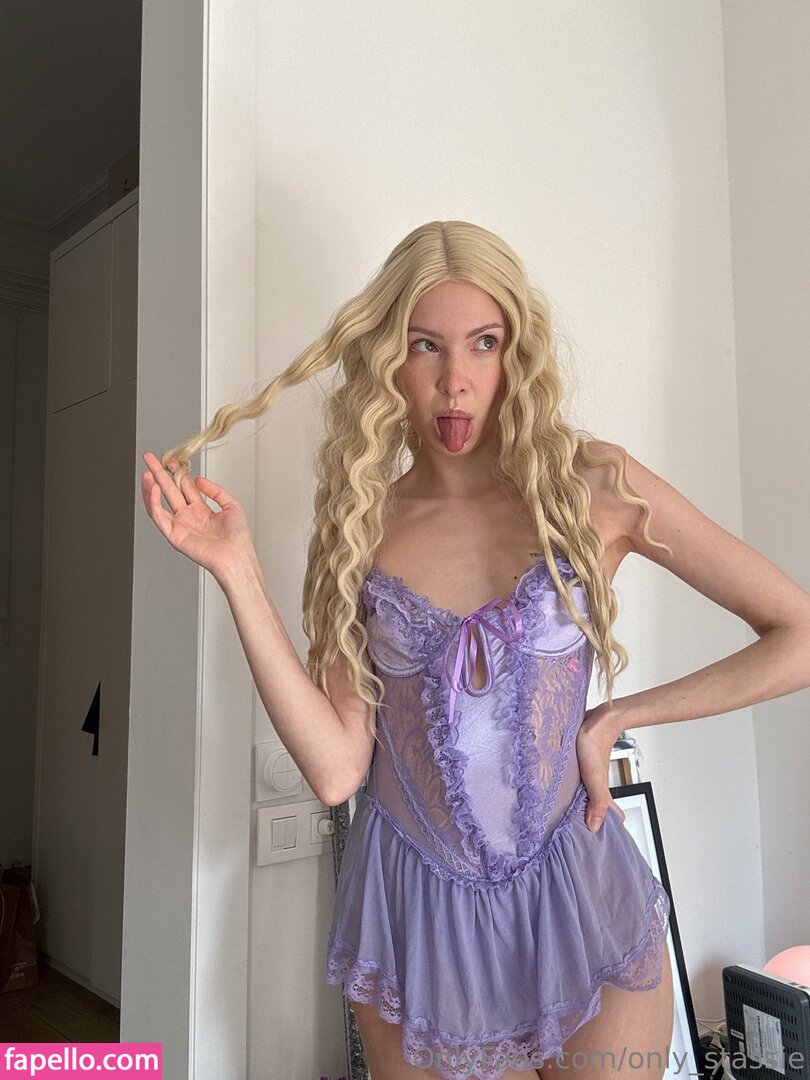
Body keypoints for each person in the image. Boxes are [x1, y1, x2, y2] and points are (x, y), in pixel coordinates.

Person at [140, 221, 810, 1080]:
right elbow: (338, 771)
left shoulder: (596, 490)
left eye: (483, 343)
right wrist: (238, 572)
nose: (454, 381)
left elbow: (796, 635)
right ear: (389, 359)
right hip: (420, 931)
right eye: (425, 345)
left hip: (581, 901)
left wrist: (616, 717)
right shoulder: (359, 528)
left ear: (514, 352)